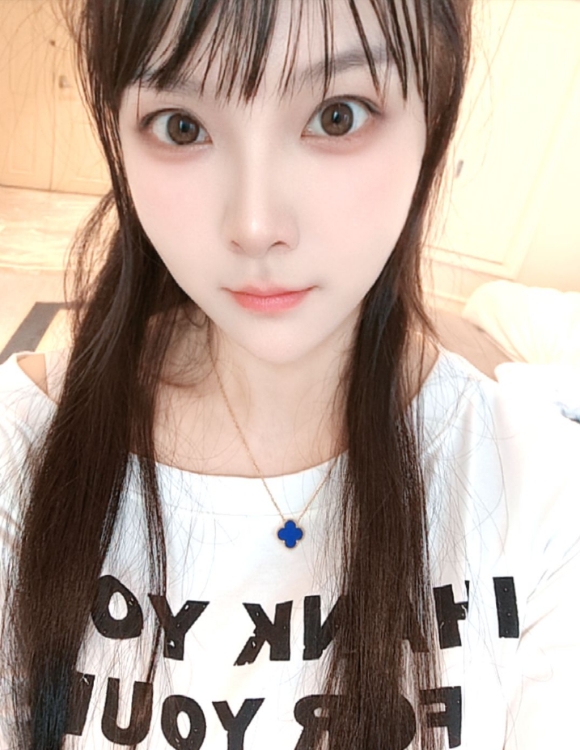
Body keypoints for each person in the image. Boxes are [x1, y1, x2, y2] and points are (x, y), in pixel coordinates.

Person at [0, 0, 578, 748]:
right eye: (182, 125)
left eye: (337, 116)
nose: (254, 225)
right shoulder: (20, 451)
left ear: (433, 112)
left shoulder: (538, 488)